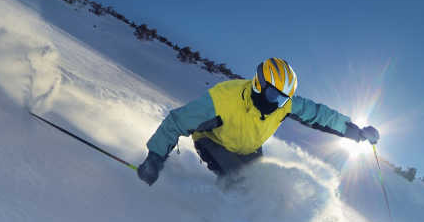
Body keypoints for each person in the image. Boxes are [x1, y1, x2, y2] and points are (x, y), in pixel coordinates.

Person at [137, 58, 380, 185]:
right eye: (274, 95)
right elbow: (178, 120)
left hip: (249, 148)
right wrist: (154, 158)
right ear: (258, 84)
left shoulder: (283, 106)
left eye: (284, 98)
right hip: (214, 141)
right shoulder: (223, 98)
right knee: (238, 183)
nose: (277, 103)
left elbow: (318, 114)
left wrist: (354, 131)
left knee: (262, 186)